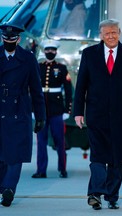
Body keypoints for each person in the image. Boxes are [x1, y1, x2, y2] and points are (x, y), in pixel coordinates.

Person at [73, 19, 122, 210]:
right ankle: (95, 193)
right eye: (107, 33)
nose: (111, 36)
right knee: (97, 155)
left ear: (119, 33)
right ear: (101, 35)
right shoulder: (89, 54)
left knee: (117, 157)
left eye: (114, 32)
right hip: (96, 114)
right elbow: (81, 85)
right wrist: (78, 112)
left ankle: (112, 195)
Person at [0, 23, 46, 207]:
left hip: (19, 110)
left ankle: (9, 188)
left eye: (12, 39)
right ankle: (4, 187)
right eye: (5, 39)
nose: (8, 42)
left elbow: (36, 89)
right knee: (2, 155)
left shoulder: (27, 59)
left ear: (18, 40)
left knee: (16, 153)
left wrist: (40, 115)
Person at [31, 40, 72, 179]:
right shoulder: (38, 67)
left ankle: (62, 169)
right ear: (44, 51)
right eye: (47, 50)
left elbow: (68, 90)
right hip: (41, 110)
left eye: (52, 50)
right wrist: (32, 109)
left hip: (56, 109)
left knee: (59, 140)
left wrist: (67, 111)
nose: (50, 52)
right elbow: (32, 89)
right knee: (41, 141)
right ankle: (41, 170)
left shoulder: (61, 68)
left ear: (56, 51)